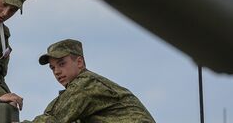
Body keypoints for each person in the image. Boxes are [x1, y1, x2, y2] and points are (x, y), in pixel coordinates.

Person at [22, 39, 155, 123]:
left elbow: (53, 119)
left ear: (79, 62)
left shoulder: (86, 85)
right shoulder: (84, 86)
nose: (57, 71)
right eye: (52, 68)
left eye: (62, 64)